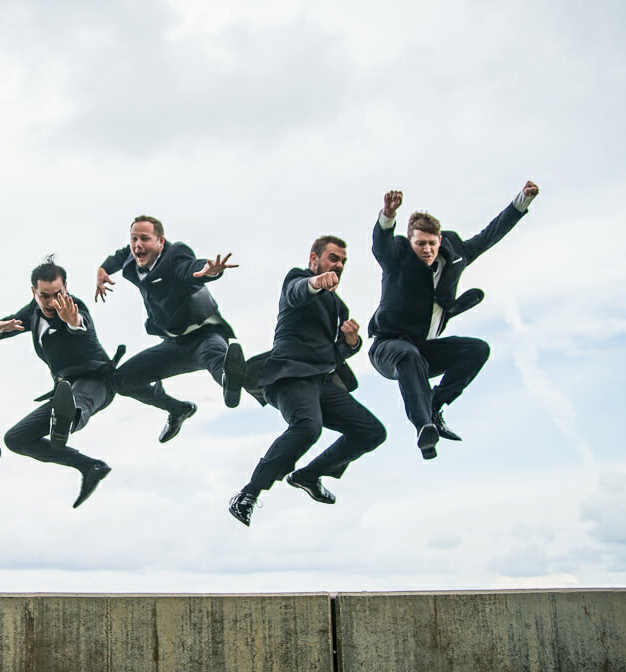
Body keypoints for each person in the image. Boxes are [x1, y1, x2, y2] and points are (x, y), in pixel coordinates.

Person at [368, 182, 540, 459]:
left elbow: (491, 234)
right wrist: (387, 216)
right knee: (409, 355)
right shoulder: (397, 255)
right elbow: (381, 245)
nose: (426, 250)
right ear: (410, 242)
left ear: (439, 241)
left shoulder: (457, 252)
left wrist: (522, 201)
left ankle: (435, 405)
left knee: (477, 349)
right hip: (387, 348)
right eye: (420, 243)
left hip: (424, 350)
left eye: (431, 243)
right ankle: (424, 426)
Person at [228, 237, 386, 527]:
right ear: (314, 259)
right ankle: (248, 493)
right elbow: (297, 292)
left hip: (322, 382)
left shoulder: (339, 307)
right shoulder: (298, 279)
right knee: (307, 427)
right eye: (332, 258)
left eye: (342, 262)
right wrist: (317, 282)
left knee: (372, 431)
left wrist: (352, 342)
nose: (338, 265)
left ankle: (309, 475)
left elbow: (335, 352)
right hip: (288, 376)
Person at [94, 215, 245, 444]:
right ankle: (178, 409)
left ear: (161, 242)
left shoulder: (175, 255)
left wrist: (209, 270)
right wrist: (103, 269)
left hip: (204, 335)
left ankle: (229, 380)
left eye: (145, 239)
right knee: (121, 380)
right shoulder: (133, 255)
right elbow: (119, 256)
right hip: (173, 344)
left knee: (216, 355)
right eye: (134, 239)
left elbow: (190, 268)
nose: (137, 245)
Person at [0, 257, 122, 509]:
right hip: (64, 390)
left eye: (57, 294)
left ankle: (67, 421)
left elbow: (80, 324)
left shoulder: (75, 307)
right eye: (44, 296)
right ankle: (89, 466)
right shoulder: (33, 312)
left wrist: (73, 321)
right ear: (33, 293)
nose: (51, 303)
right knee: (16, 438)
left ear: (66, 288)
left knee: (77, 401)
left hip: (97, 380)